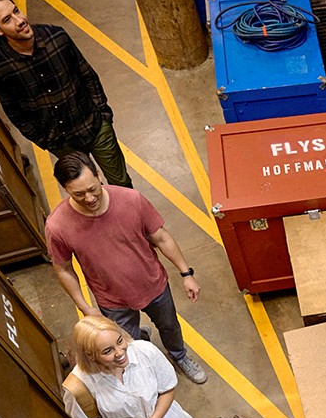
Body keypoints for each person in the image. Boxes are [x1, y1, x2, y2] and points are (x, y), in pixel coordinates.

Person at [47, 152, 208, 385]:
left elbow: (161, 237)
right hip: (112, 301)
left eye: (93, 188)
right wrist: (85, 307)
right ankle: (145, 363)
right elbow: (63, 268)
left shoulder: (132, 200)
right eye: (79, 194)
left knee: (170, 326)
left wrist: (186, 274)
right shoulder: (57, 225)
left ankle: (179, 356)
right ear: (65, 189)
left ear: (98, 174)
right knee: (124, 345)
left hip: (154, 286)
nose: (90, 198)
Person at [0, 0, 132, 188]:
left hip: (94, 126)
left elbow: (88, 76)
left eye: (16, 11)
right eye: (7, 19)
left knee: (122, 184)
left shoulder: (57, 37)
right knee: (87, 189)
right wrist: (44, 140)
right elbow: (14, 111)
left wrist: (103, 115)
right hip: (62, 143)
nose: (20, 20)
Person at [63, 316, 198, 418]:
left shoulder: (144, 351)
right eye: (108, 351)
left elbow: (167, 389)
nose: (120, 353)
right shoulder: (79, 385)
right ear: (90, 355)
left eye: (120, 341)